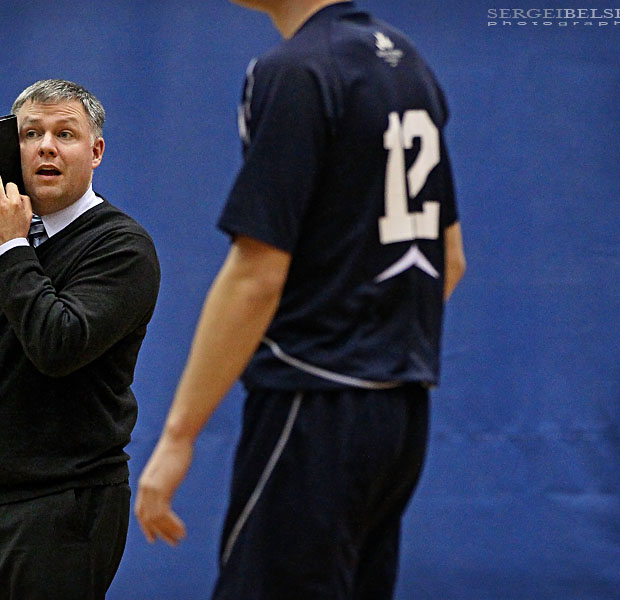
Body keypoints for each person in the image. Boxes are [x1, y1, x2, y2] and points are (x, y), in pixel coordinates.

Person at [134, 1, 465, 598]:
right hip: (401, 413)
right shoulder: (410, 64)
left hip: (312, 410)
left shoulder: (295, 70)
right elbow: (451, 260)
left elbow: (256, 276)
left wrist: (178, 437)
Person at [0, 79, 160, 600]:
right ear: (8, 149)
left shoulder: (122, 246)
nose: (46, 147)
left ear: (96, 151)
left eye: (66, 134)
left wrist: (12, 246)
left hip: (64, 503)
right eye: (30, 133)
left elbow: (57, 346)